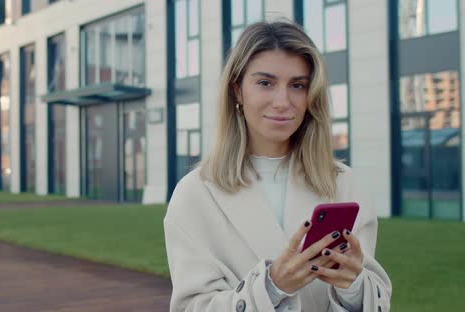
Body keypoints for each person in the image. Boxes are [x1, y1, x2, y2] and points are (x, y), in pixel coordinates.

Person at [163, 20, 392, 312]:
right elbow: (192, 307)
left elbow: (375, 298)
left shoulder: (344, 184)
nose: (283, 102)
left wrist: (354, 288)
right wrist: (271, 288)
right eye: (265, 83)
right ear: (237, 91)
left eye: (297, 85)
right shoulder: (194, 195)